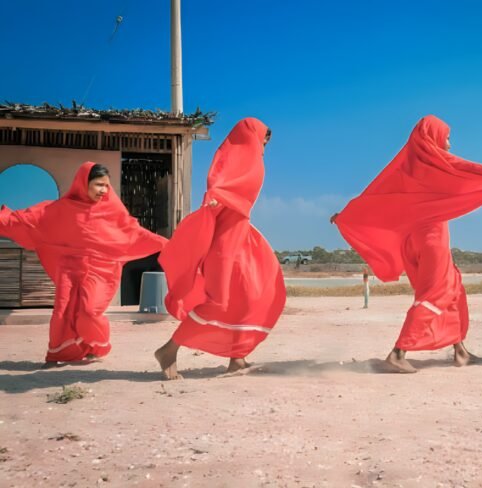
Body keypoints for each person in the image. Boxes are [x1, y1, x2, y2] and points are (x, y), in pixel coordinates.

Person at [331, 115, 482, 373]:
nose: (449, 145)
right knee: (436, 293)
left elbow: (378, 195)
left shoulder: (406, 165)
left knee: (453, 289)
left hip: (411, 241)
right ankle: (398, 352)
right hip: (431, 238)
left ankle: (460, 350)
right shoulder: (436, 161)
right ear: (434, 136)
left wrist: (348, 215)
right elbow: (464, 171)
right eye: (447, 137)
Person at [154, 118, 286, 380]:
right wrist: (214, 197)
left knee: (252, 296)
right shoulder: (233, 163)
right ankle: (169, 349)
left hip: (243, 240)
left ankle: (237, 359)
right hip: (225, 245)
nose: (264, 146)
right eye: (263, 139)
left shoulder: (252, 163)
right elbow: (218, 184)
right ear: (251, 136)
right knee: (219, 302)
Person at [0, 162, 167, 367]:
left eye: (106, 185)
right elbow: (26, 220)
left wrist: (167, 244)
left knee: (89, 312)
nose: (104, 190)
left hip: (101, 270)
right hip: (69, 269)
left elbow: (134, 233)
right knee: (63, 311)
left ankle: (97, 346)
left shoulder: (112, 211)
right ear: (82, 184)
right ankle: (59, 353)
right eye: (98, 184)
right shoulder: (61, 209)